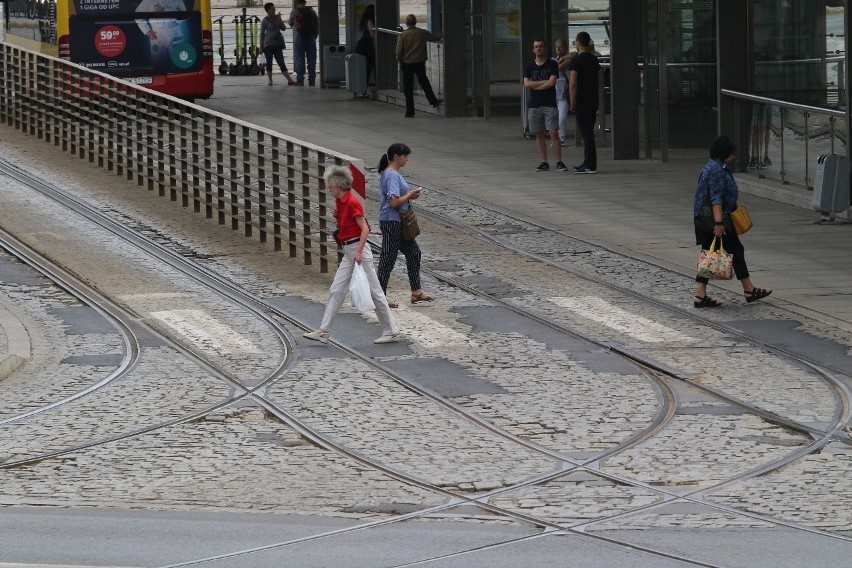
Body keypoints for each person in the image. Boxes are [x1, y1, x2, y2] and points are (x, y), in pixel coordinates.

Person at [303, 166, 400, 344]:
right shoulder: (341, 202)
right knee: (336, 289)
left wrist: (358, 252)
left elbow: (365, 229)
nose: (328, 189)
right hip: (349, 252)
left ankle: (390, 329)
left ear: (337, 186)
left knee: (375, 292)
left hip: (358, 250)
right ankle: (324, 330)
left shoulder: (352, 202)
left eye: (330, 186)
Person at [693, 135, 772, 308]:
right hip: (715, 220)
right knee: (735, 250)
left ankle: (700, 294)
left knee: (709, 253)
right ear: (723, 154)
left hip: (706, 219)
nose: (733, 157)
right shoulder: (716, 171)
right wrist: (719, 224)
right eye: (731, 154)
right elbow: (716, 198)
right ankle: (748, 289)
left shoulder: (713, 166)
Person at [376, 143, 435, 307]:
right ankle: (380, 295)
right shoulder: (392, 175)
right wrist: (409, 195)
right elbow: (393, 201)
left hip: (398, 221)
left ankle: (416, 291)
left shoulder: (392, 173)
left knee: (414, 252)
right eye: (405, 156)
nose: (407, 159)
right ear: (396, 157)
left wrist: (410, 196)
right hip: (391, 221)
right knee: (388, 258)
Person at [524, 39, 565, 172]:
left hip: (549, 103)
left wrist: (535, 85)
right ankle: (543, 162)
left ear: (545, 48)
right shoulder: (529, 66)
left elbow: (552, 82)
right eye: (536, 47)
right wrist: (543, 83)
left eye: (541, 46)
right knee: (539, 133)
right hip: (534, 104)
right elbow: (526, 84)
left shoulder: (552, 64)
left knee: (553, 132)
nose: (539, 49)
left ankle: (559, 161)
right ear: (533, 50)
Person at [395, 14, 443, 118]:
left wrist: (399, 59)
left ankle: (410, 111)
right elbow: (434, 37)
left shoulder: (403, 34)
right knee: (424, 82)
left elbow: (399, 50)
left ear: (407, 23)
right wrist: (442, 34)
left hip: (407, 63)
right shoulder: (422, 33)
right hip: (419, 62)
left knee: (408, 88)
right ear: (416, 22)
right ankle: (433, 101)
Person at [569, 31, 601, 174]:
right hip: (593, 99)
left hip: (581, 100)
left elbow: (573, 83)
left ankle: (590, 164)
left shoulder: (576, 61)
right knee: (589, 131)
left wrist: (572, 101)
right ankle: (588, 162)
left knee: (586, 133)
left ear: (578, 42)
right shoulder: (594, 60)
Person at [135, 0, 188, 69]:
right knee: (157, 63)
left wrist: (167, 13)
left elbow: (185, 14)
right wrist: (147, 31)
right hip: (157, 35)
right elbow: (138, 15)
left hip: (175, 33)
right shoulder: (147, 1)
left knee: (179, 61)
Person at [259, 3, 295, 86]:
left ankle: (289, 80)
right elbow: (261, 34)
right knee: (269, 62)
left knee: (281, 61)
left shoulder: (277, 18)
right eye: (272, 8)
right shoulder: (265, 20)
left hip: (277, 44)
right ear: (268, 10)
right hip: (268, 44)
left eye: (274, 8)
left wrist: (280, 20)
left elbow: (283, 28)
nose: (274, 9)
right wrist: (261, 46)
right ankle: (270, 80)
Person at [288, 0, 318, 86]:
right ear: (305, 2)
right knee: (312, 59)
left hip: (300, 37)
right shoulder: (311, 11)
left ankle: (300, 80)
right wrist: (314, 36)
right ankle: (312, 80)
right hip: (311, 37)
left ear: (296, 3)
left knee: (300, 58)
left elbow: (290, 23)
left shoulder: (294, 12)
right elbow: (316, 24)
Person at [552, 38, 575, 145]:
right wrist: (562, 61)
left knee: (562, 117)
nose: (558, 49)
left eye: (560, 47)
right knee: (553, 118)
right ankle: (555, 139)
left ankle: (561, 138)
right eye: (557, 47)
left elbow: (575, 54)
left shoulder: (571, 59)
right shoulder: (553, 60)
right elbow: (557, 67)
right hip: (553, 93)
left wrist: (564, 59)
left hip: (563, 95)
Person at [353, 4, 375, 99]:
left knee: (364, 68)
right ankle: (363, 91)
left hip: (362, 45)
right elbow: (372, 35)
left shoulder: (365, 20)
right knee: (368, 68)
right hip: (367, 46)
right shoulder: (370, 21)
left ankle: (361, 90)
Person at [748, 103, 771, 169]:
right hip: (756, 102)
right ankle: (753, 156)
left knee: (762, 128)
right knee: (755, 128)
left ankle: (759, 157)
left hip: (765, 101)